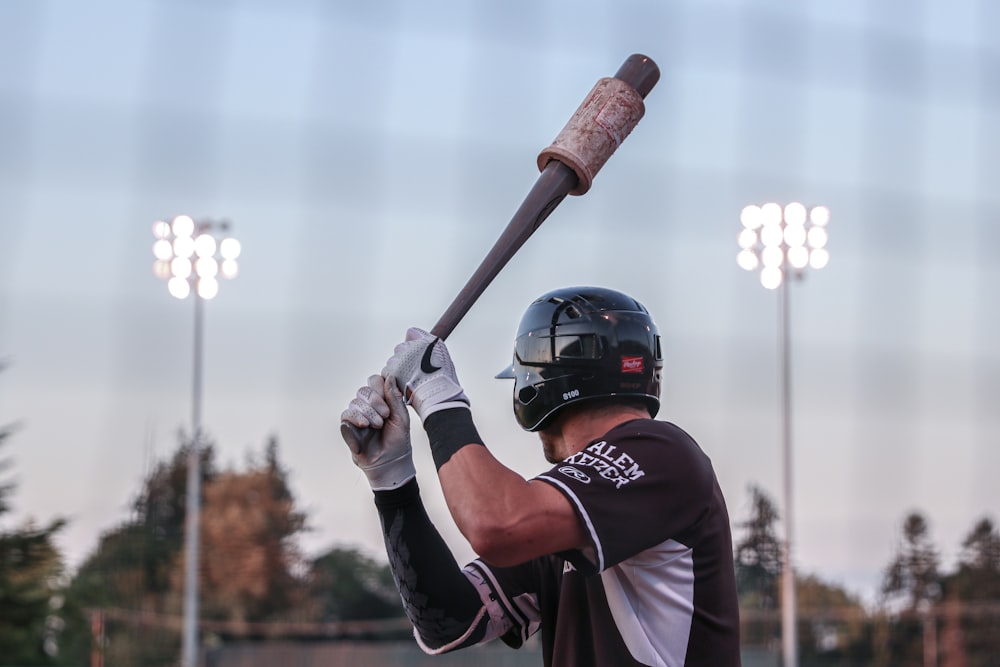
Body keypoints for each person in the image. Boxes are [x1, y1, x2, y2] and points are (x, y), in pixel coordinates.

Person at [340, 286, 741, 666]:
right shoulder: (561, 513)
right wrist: (392, 480)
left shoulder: (664, 453)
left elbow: (496, 525)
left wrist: (437, 395)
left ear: (540, 381)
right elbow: (447, 622)